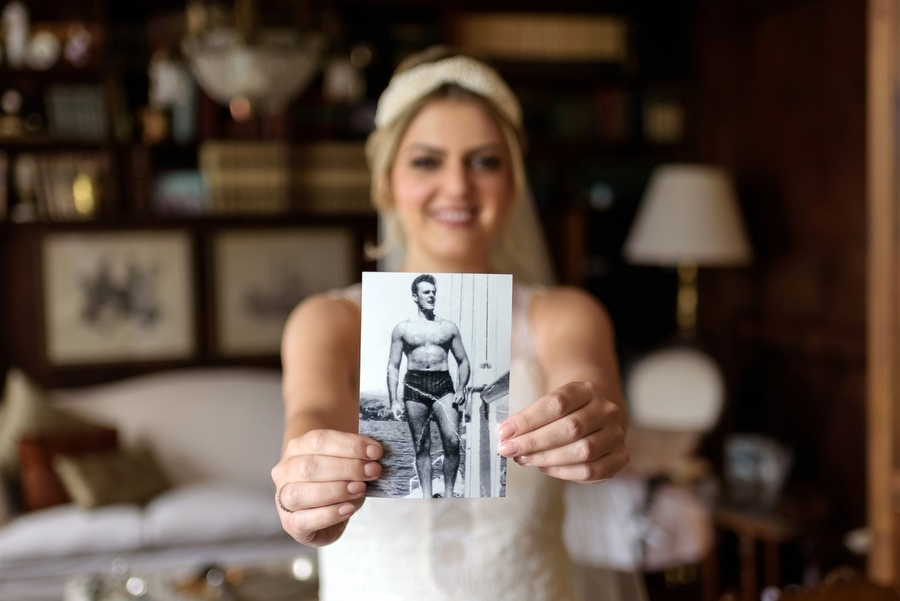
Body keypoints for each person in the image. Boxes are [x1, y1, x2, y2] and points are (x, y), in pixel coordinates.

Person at [272, 46, 629, 600]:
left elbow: (592, 387)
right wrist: (306, 478)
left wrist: (594, 426)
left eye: (484, 161)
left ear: (513, 183)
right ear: (385, 181)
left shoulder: (564, 315)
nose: (458, 187)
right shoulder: (329, 321)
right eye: (426, 161)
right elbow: (312, 411)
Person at [387, 273, 470, 499]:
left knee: (452, 441)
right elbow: (393, 366)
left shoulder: (448, 327)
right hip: (414, 386)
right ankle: (426, 497)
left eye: (433, 292)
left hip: (443, 385)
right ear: (415, 296)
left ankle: (450, 494)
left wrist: (461, 387)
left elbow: (463, 361)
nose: (431, 295)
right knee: (421, 446)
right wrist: (393, 399)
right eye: (426, 292)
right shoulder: (402, 329)